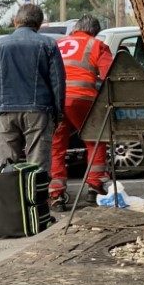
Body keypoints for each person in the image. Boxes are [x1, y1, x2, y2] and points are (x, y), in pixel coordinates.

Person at [0, 4, 66, 171]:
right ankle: (35, 196)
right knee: (37, 166)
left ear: (15, 21)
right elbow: (58, 82)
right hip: (39, 112)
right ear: (39, 24)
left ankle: (9, 196)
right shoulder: (48, 44)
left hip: (4, 112)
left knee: (5, 166)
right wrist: (59, 113)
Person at [48, 15, 114, 209]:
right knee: (95, 140)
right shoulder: (97, 45)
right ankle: (94, 186)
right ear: (94, 31)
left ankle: (56, 194)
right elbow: (110, 74)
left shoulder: (56, 44)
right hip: (82, 99)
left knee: (56, 146)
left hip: (55, 101)